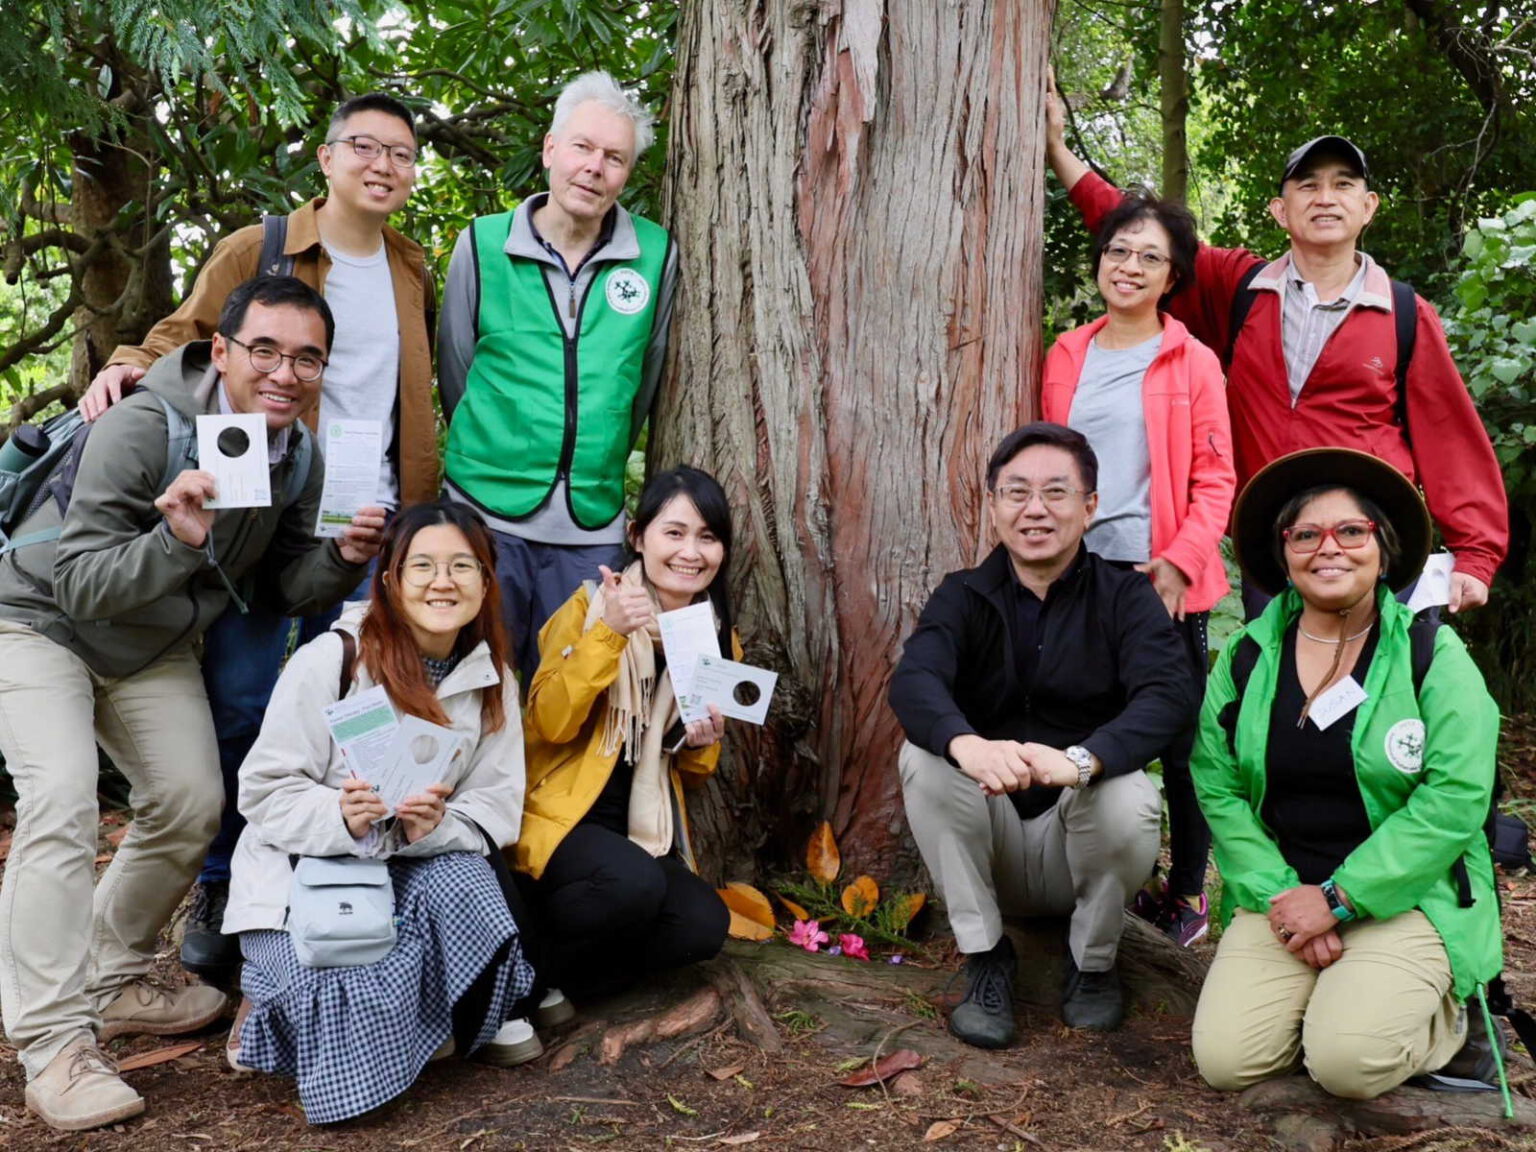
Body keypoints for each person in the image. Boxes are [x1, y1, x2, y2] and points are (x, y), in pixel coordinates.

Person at [0, 275, 384, 1132]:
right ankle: (53, 1042)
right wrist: (175, 539)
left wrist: (346, 555)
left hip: (149, 643)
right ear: (223, 352)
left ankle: (114, 973)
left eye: (306, 358)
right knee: (60, 799)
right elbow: (81, 583)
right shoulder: (144, 427)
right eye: (266, 351)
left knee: (191, 802)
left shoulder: (296, 453)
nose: (284, 373)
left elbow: (283, 582)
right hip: (35, 624)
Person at [79, 92, 438, 983]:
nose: (383, 166)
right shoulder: (262, 246)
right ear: (328, 157)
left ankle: (337, 880)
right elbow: (183, 336)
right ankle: (225, 881)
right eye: (366, 147)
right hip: (257, 510)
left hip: (363, 521)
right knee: (242, 704)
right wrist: (123, 368)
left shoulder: (410, 266)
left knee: (357, 709)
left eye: (401, 154)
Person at [1044, 78, 1507, 616]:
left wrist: (1477, 555)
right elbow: (1139, 234)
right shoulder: (1240, 290)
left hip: (1368, 546)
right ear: (1280, 211)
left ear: (1369, 207)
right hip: (1275, 542)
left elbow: (1449, 435)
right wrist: (1057, 150)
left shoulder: (1402, 313)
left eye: (1343, 185)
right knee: (1282, 692)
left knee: (1376, 693)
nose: (1326, 198)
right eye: (1307, 186)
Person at [1190, 447, 1501, 1099]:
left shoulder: (1428, 654)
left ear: (1381, 549)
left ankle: (1452, 1028)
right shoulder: (1248, 658)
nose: (1328, 548)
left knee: (1346, 1065)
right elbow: (1216, 784)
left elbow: (1456, 799)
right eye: (1306, 533)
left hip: (1410, 893)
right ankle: (1341, 998)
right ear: (1285, 553)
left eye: (1351, 531)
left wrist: (1338, 899)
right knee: (1227, 1061)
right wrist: (1285, 898)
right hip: (1283, 892)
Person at [223, 503, 537, 1124]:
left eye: (460, 567)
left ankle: (429, 1016)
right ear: (390, 578)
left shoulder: (493, 676)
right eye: (421, 565)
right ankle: (273, 1002)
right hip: (306, 877)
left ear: (486, 580)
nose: (441, 582)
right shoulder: (333, 659)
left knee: (469, 879)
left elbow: (496, 803)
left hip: (411, 865)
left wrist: (437, 825)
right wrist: (341, 814)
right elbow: (262, 788)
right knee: (345, 1002)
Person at [890, 423, 1196, 1046]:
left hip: (1078, 839)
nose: (1035, 509)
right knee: (924, 759)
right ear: (994, 507)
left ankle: (1093, 964)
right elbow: (915, 678)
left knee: (1128, 793)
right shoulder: (962, 596)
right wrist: (968, 745)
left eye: (1056, 492)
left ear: (1089, 507)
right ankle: (985, 958)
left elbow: (1168, 694)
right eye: (1017, 492)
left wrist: (1083, 761)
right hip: (990, 841)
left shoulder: (1126, 598)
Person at [1040, 190, 1236, 947]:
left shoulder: (1192, 361)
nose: (1129, 266)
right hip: (1076, 576)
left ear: (1173, 275)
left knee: (1181, 743)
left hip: (1159, 579)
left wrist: (1182, 562)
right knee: (1081, 727)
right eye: (1118, 250)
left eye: (1149, 256)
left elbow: (1217, 478)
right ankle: (1084, 879)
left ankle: (1186, 892)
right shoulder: (1066, 353)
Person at [438, 70, 679, 679]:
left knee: (572, 694)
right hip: (484, 513)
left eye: (614, 157)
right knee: (476, 682)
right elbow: (456, 371)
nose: (595, 167)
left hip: (591, 527)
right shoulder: (482, 244)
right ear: (550, 150)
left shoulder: (655, 254)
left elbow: (644, 383)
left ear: (627, 173)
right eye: (582, 147)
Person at [515, 466, 732, 1001]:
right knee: (633, 885)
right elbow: (549, 722)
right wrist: (610, 635)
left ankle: (567, 982)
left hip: (641, 828)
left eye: (708, 537)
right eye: (674, 533)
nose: (691, 552)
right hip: (561, 817)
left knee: (702, 926)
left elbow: (695, 773)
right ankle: (524, 972)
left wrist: (701, 743)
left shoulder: (713, 635)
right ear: (638, 537)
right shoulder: (590, 608)